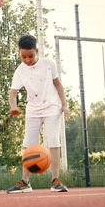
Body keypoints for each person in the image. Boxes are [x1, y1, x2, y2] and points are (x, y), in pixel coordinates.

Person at [6, 34, 70, 193]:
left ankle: (55, 180)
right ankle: (25, 182)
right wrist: (13, 107)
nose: (27, 59)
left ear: (37, 51)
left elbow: (58, 84)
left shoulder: (49, 64)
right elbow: (13, 93)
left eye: (30, 56)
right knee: (28, 145)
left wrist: (65, 105)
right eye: (23, 56)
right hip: (33, 110)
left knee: (53, 141)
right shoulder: (20, 70)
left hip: (52, 107)